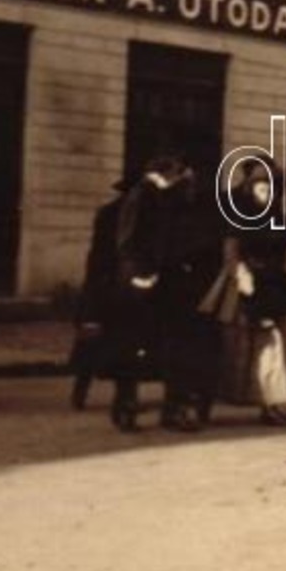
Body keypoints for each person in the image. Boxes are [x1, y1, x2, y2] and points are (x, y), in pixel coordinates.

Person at [203, 160, 286, 425]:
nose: (267, 193)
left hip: (272, 286)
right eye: (261, 187)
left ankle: (270, 405)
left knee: (274, 348)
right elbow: (231, 253)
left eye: (271, 188)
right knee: (233, 347)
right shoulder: (238, 214)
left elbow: (283, 248)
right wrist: (242, 277)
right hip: (242, 286)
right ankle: (206, 405)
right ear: (251, 188)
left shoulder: (275, 216)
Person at [108, 155, 189, 432]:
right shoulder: (142, 196)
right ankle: (126, 408)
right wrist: (143, 274)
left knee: (164, 348)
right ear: (167, 173)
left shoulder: (164, 196)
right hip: (142, 284)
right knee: (135, 348)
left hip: (162, 283)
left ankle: (164, 410)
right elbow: (128, 241)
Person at [156, 165, 227, 432]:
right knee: (179, 355)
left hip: (201, 294)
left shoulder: (204, 215)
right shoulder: (171, 215)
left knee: (198, 354)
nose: (191, 188)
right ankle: (175, 409)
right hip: (178, 296)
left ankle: (193, 407)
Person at [68, 178, 131, 412]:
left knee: (92, 344)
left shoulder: (107, 213)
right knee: (116, 344)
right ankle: (121, 397)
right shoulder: (124, 215)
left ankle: (81, 392)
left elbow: (95, 255)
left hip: (101, 285)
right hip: (114, 287)